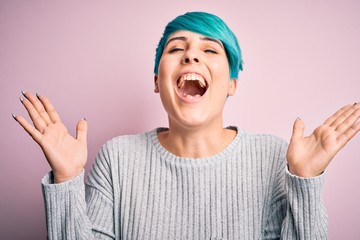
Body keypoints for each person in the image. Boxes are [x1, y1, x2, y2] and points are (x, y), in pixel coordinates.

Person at [13, 12, 359, 240]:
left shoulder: (272, 157)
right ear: (157, 81)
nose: (191, 56)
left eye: (210, 50)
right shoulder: (117, 159)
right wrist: (67, 180)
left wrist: (306, 182)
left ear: (231, 84)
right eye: (176, 48)